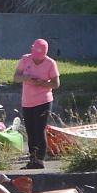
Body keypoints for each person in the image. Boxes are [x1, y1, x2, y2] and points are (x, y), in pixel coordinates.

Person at [13, 39, 60, 169]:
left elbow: (56, 84)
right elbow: (16, 77)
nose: (37, 59)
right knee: (30, 130)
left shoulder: (50, 63)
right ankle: (32, 159)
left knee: (39, 130)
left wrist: (42, 83)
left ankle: (39, 160)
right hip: (27, 101)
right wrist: (26, 78)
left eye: (40, 56)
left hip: (43, 100)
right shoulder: (25, 59)